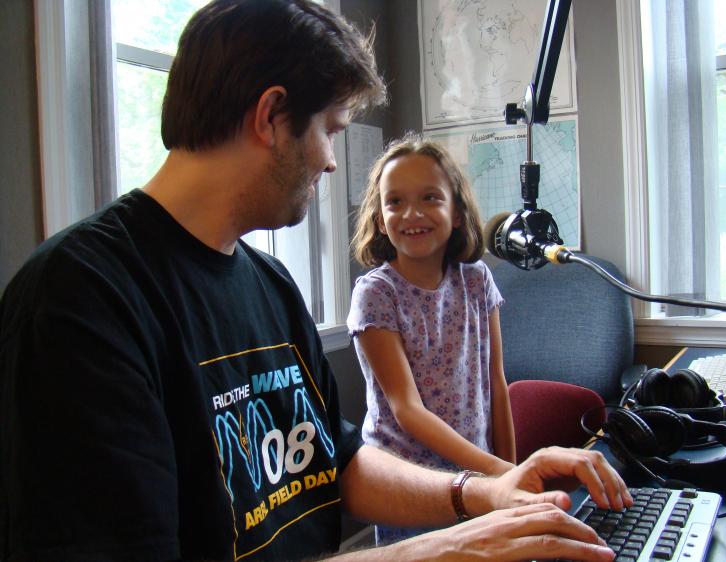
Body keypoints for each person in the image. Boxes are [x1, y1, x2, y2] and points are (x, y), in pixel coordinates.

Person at [0, 1, 631, 561]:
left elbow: (337, 463)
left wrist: (486, 492)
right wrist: (445, 549)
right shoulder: (78, 300)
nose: (332, 161)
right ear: (272, 116)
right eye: (330, 129)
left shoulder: (270, 284)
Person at [348, 135, 516, 545]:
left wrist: (510, 474)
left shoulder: (477, 280)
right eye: (395, 202)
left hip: (478, 475)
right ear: (380, 219)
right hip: (410, 486)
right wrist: (499, 473)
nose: (412, 213)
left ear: (456, 212)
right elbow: (407, 409)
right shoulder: (376, 294)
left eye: (430, 197)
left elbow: (496, 383)